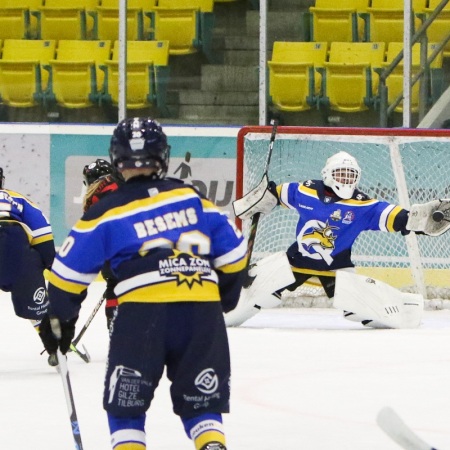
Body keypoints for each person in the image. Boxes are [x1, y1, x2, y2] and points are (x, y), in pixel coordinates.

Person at [39, 117, 248, 450]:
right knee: (202, 403)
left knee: (126, 408)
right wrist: (224, 296)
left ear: (117, 159)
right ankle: (210, 444)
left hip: (141, 316)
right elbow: (236, 255)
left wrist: (57, 322)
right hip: (201, 315)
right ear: (163, 155)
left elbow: (65, 277)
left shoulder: (105, 211)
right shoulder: (192, 197)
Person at [231, 150, 439, 327]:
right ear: (327, 174)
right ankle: (224, 312)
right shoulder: (305, 190)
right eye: (341, 174)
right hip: (296, 262)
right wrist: (262, 197)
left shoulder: (363, 205)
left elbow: (397, 217)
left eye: (351, 175)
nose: (346, 179)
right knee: (256, 294)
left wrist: (418, 220)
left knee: (357, 310)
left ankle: (407, 307)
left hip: (336, 268)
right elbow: (277, 193)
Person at [0, 167, 56, 363]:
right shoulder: (17, 199)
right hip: (12, 245)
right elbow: (42, 234)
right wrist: (48, 265)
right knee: (37, 305)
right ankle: (54, 346)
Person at [82, 158, 124, 329]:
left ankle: (116, 334)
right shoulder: (127, 185)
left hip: (114, 250)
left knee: (114, 286)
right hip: (143, 245)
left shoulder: (94, 198)